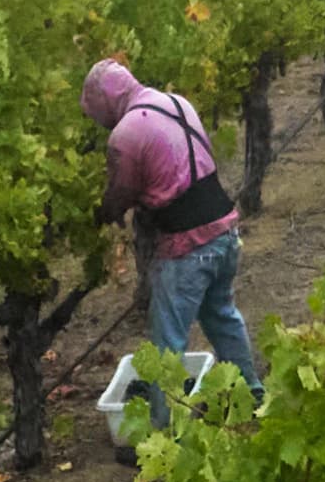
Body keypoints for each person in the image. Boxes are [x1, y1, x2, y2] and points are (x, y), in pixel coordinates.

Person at [84, 56, 264, 397]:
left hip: (188, 247)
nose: (98, 123)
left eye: (95, 112)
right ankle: (251, 393)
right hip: (224, 230)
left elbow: (121, 193)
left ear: (106, 99)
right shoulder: (176, 102)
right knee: (222, 315)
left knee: (169, 342)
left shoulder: (126, 134)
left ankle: (164, 432)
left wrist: (97, 215)